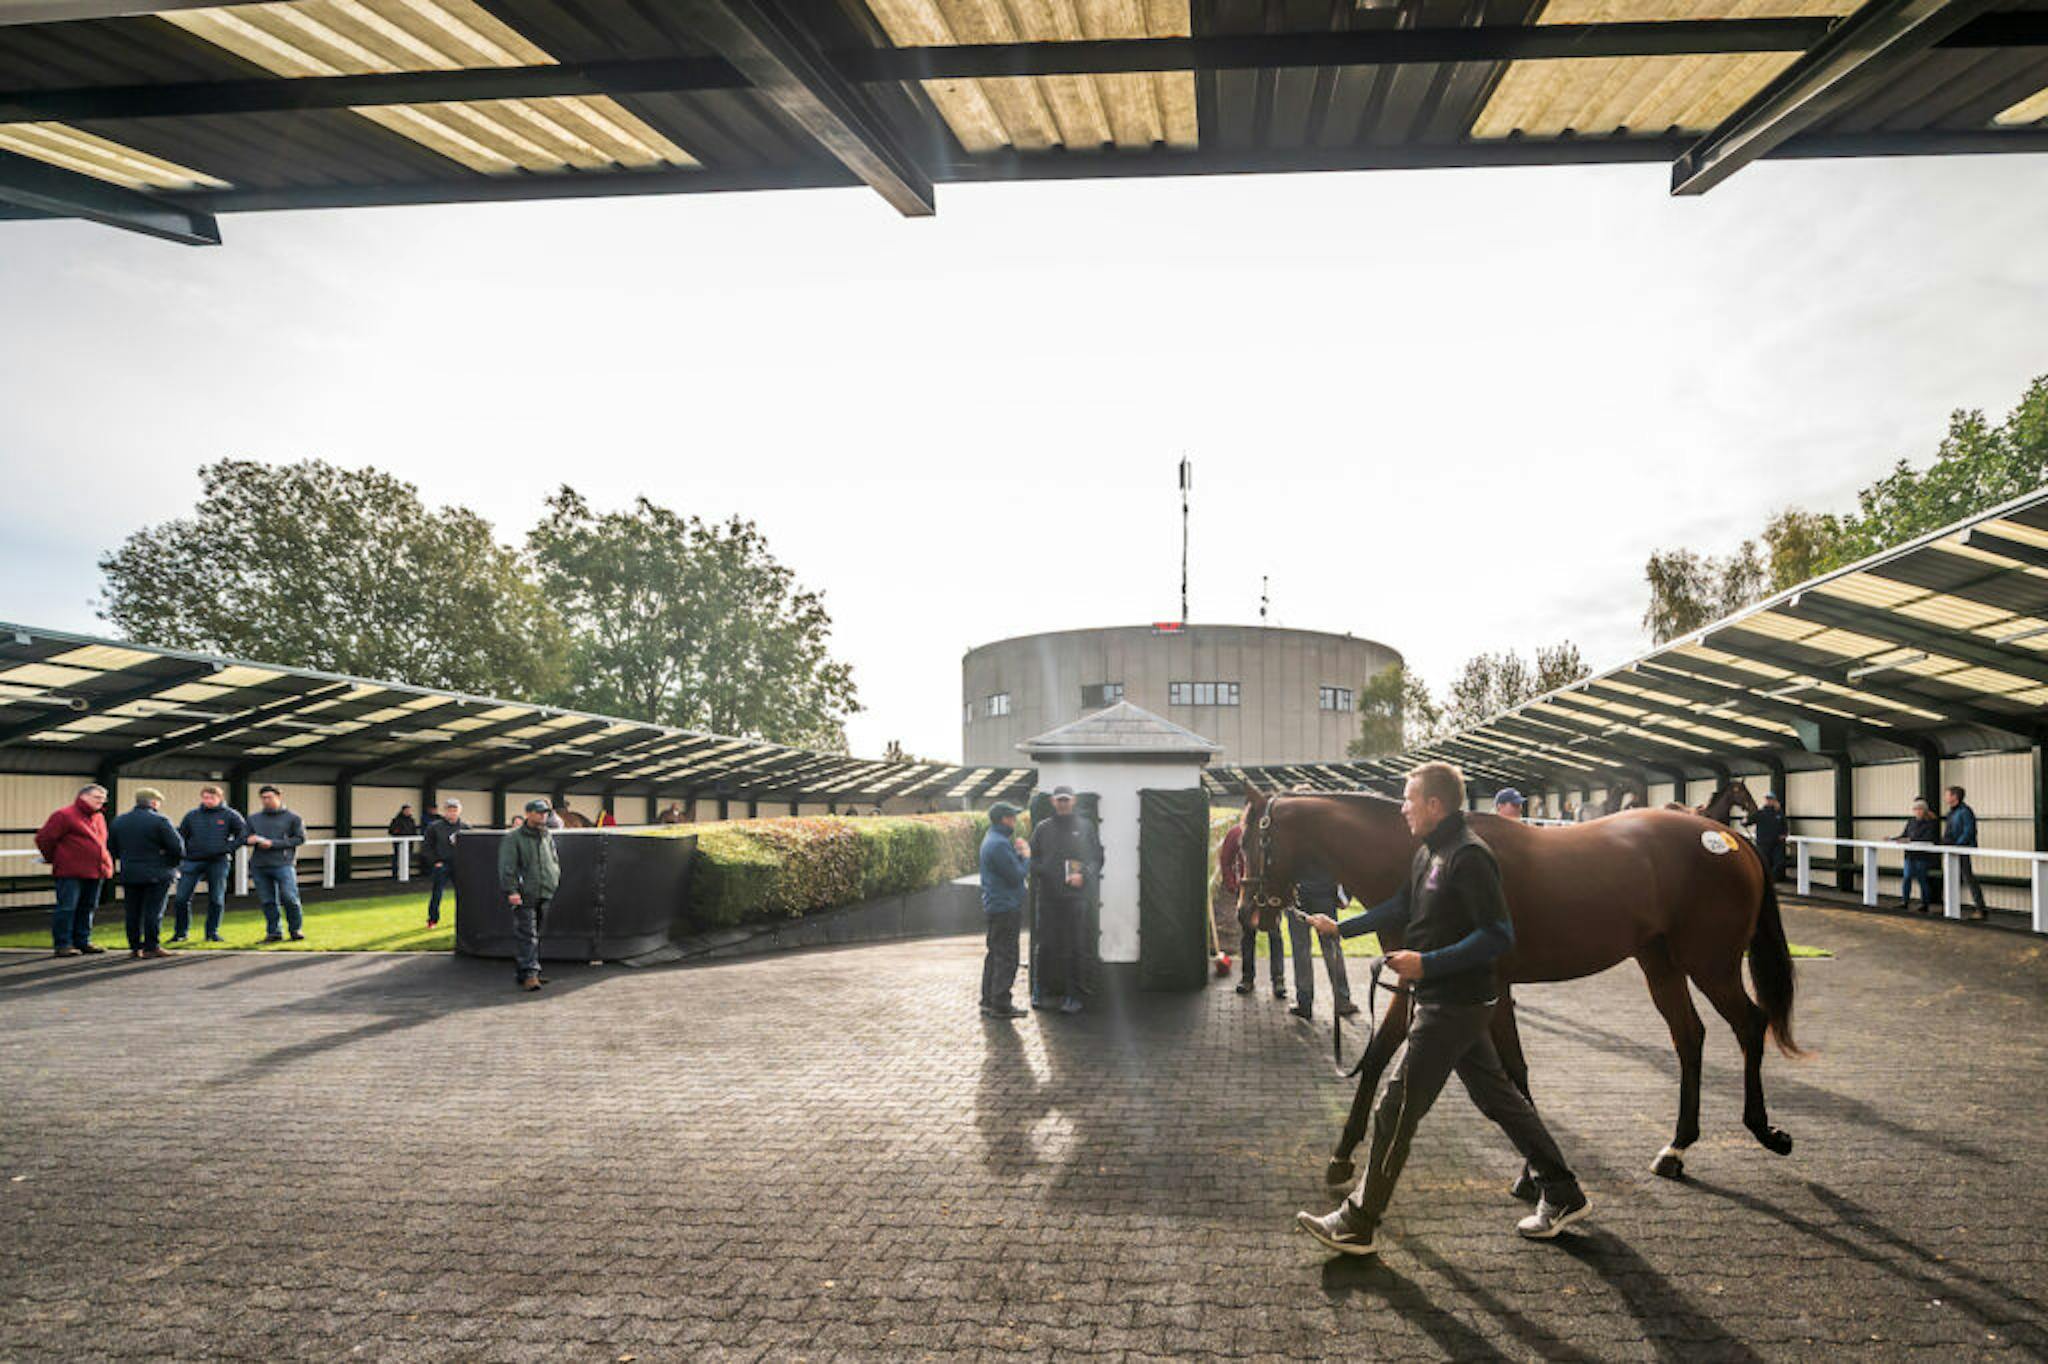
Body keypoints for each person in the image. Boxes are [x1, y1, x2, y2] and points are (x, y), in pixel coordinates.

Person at [1297, 761, 1589, 1257]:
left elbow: (1498, 935)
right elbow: (1400, 906)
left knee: (1394, 1110)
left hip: (1454, 1003)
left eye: (1409, 799)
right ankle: (1562, 1191)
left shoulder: (1470, 856)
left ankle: (1358, 1222)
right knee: (1500, 1100)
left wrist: (1426, 964)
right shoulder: (1428, 852)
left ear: (1435, 804)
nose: (1403, 808)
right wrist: (1340, 928)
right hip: (1447, 1000)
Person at [1029, 786, 1102, 1015]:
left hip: (1075, 898)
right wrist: (1047, 872)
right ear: (1053, 801)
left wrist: (1084, 876)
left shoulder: (1085, 827)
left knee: (1075, 946)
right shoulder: (1042, 828)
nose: (1063, 803)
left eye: (1066, 800)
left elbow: (1097, 858)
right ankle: (1039, 991)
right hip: (1048, 898)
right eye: (1059, 800)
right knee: (1045, 945)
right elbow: (1032, 861)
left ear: (1073, 801)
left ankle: (1073, 995)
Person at [36, 783, 113, 957]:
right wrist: (54, 858)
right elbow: (44, 838)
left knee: (88, 907)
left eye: (103, 799)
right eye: (97, 797)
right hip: (71, 871)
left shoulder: (99, 817)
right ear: (83, 797)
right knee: (67, 907)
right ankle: (63, 944)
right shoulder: (64, 815)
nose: (101, 801)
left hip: (96, 870)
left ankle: (82, 941)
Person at [108, 787, 184, 959]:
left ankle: (135, 947)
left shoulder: (119, 821)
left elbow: (112, 848)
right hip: (157, 872)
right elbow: (177, 848)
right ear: (154, 802)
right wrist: (170, 865)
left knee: (132, 912)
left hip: (130, 872)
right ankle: (151, 946)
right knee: (153, 911)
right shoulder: (160, 821)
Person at [1221, 808, 1285, 1000]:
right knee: (1248, 935)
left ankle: (1278, 980)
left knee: (1275, 934)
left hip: (1269, 891)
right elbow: (1225, 860)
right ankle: (1247, 978)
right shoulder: (1236, 833)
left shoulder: (1271, 834)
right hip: (1247, 892)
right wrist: (1233, 885)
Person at [498, 798, 560, 991]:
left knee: (535, 933)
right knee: (527, 934)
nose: (543, 816)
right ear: (528, 814)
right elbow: (507, 866)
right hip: (524, 893)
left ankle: (523, 972)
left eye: (545, 813)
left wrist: (553, 878)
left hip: (545, 890)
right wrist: (512, 890)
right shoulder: (513, 838)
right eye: (539, 812)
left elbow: (553, 859)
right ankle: (531, 974)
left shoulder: (546, 835)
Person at [172, 786, 247, 943]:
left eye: (211, 798)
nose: (208, 801)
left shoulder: (230, 815)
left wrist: (227, 848)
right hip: (192, 861)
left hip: (218, 861)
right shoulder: (192, 816)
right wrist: (183, 855)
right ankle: (181, 933)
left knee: (216, 899)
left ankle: (212, 933)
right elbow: (181, 836)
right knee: (181, 898)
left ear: (220, 798)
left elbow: (243, 835)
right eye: (205, 797)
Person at [977, 802, 1030, 1019]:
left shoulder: (992, 839)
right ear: (1004, 819)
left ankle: (988, 1000)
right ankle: (1001, 1004)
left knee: (995, 954)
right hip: (1006, 906)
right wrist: (1026, 856)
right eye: (1012, 817)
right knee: (1007, 956)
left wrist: (1015, 855)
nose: (1015, 821)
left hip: (995, 905)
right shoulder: (999, 844)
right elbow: (1016, 875)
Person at [1286, 860, 1357, 1020]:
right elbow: (1342, 859)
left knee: (1301, 951)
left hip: (1299, 896)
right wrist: (1345, 895)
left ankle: (1304, 1002)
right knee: (1331, 949)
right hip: (1324, 895)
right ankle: (1343, 1000)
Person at [246, 784, 308, 942]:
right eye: (263, 798)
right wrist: (249, 840)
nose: (266, 800)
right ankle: (274, 932)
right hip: (260, 865)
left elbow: (300, 839)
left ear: (278, 797)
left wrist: (273, 844)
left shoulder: (293, 818)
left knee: (289, 897)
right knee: (268, 901)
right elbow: (244, 837)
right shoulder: (253, 819)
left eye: (269, 797)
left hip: (283, 864)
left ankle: (295, 929)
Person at [421, 798, 469, 927]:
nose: (452, 813)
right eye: (449, 810)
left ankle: (462, 920)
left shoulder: (465, 828)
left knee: (463, 895)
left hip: (459, 866)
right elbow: (427, 847)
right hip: (442, 865)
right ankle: (433, 919)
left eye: (455, 810)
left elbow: (471, 848)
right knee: (437, 894)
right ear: (444, 811)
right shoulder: (434, 827)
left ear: (459, 811)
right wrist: (435, 862)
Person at [1944, 785, 1989, 921]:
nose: (1945, 797)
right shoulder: (1951, 812)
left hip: (1961, 849)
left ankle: (1981, 909)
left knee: (1968, 877)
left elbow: (1969, 831)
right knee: (1955, 877)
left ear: (1954, 797)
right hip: (1953, 849)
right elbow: (1949, 832)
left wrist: (1957, 845)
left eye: (1947, 795)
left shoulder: (1965, 811)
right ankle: (1950, 906)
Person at [1892, 797, 1942, 914]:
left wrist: (1910, 840)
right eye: (1915, 809)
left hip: (1922, 856)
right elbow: (1904, 835)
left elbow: (1928, 838)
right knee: (1906, 877)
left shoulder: (1931, 823)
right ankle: (1904, 901)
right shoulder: (1911, 822)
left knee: (1922, 879)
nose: (1917, 811)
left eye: (1919, 809)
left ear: (1924, 810)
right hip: (1910, 855)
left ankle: (1925, 904)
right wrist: (1892, 839)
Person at [1750, 792, 1788, 883]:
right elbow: (1748, 821)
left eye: (1770, 799)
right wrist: (1744, 821)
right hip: (1763, 844)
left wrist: (1784, 834)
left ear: (1774, 800)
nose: (1769, 801)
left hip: (1777, 844)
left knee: (1779, 862)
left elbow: (1785, 826)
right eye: (1767, 799)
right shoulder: (1760, 813)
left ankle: (1771, 881)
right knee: (1764, 863)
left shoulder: (1779, 813)